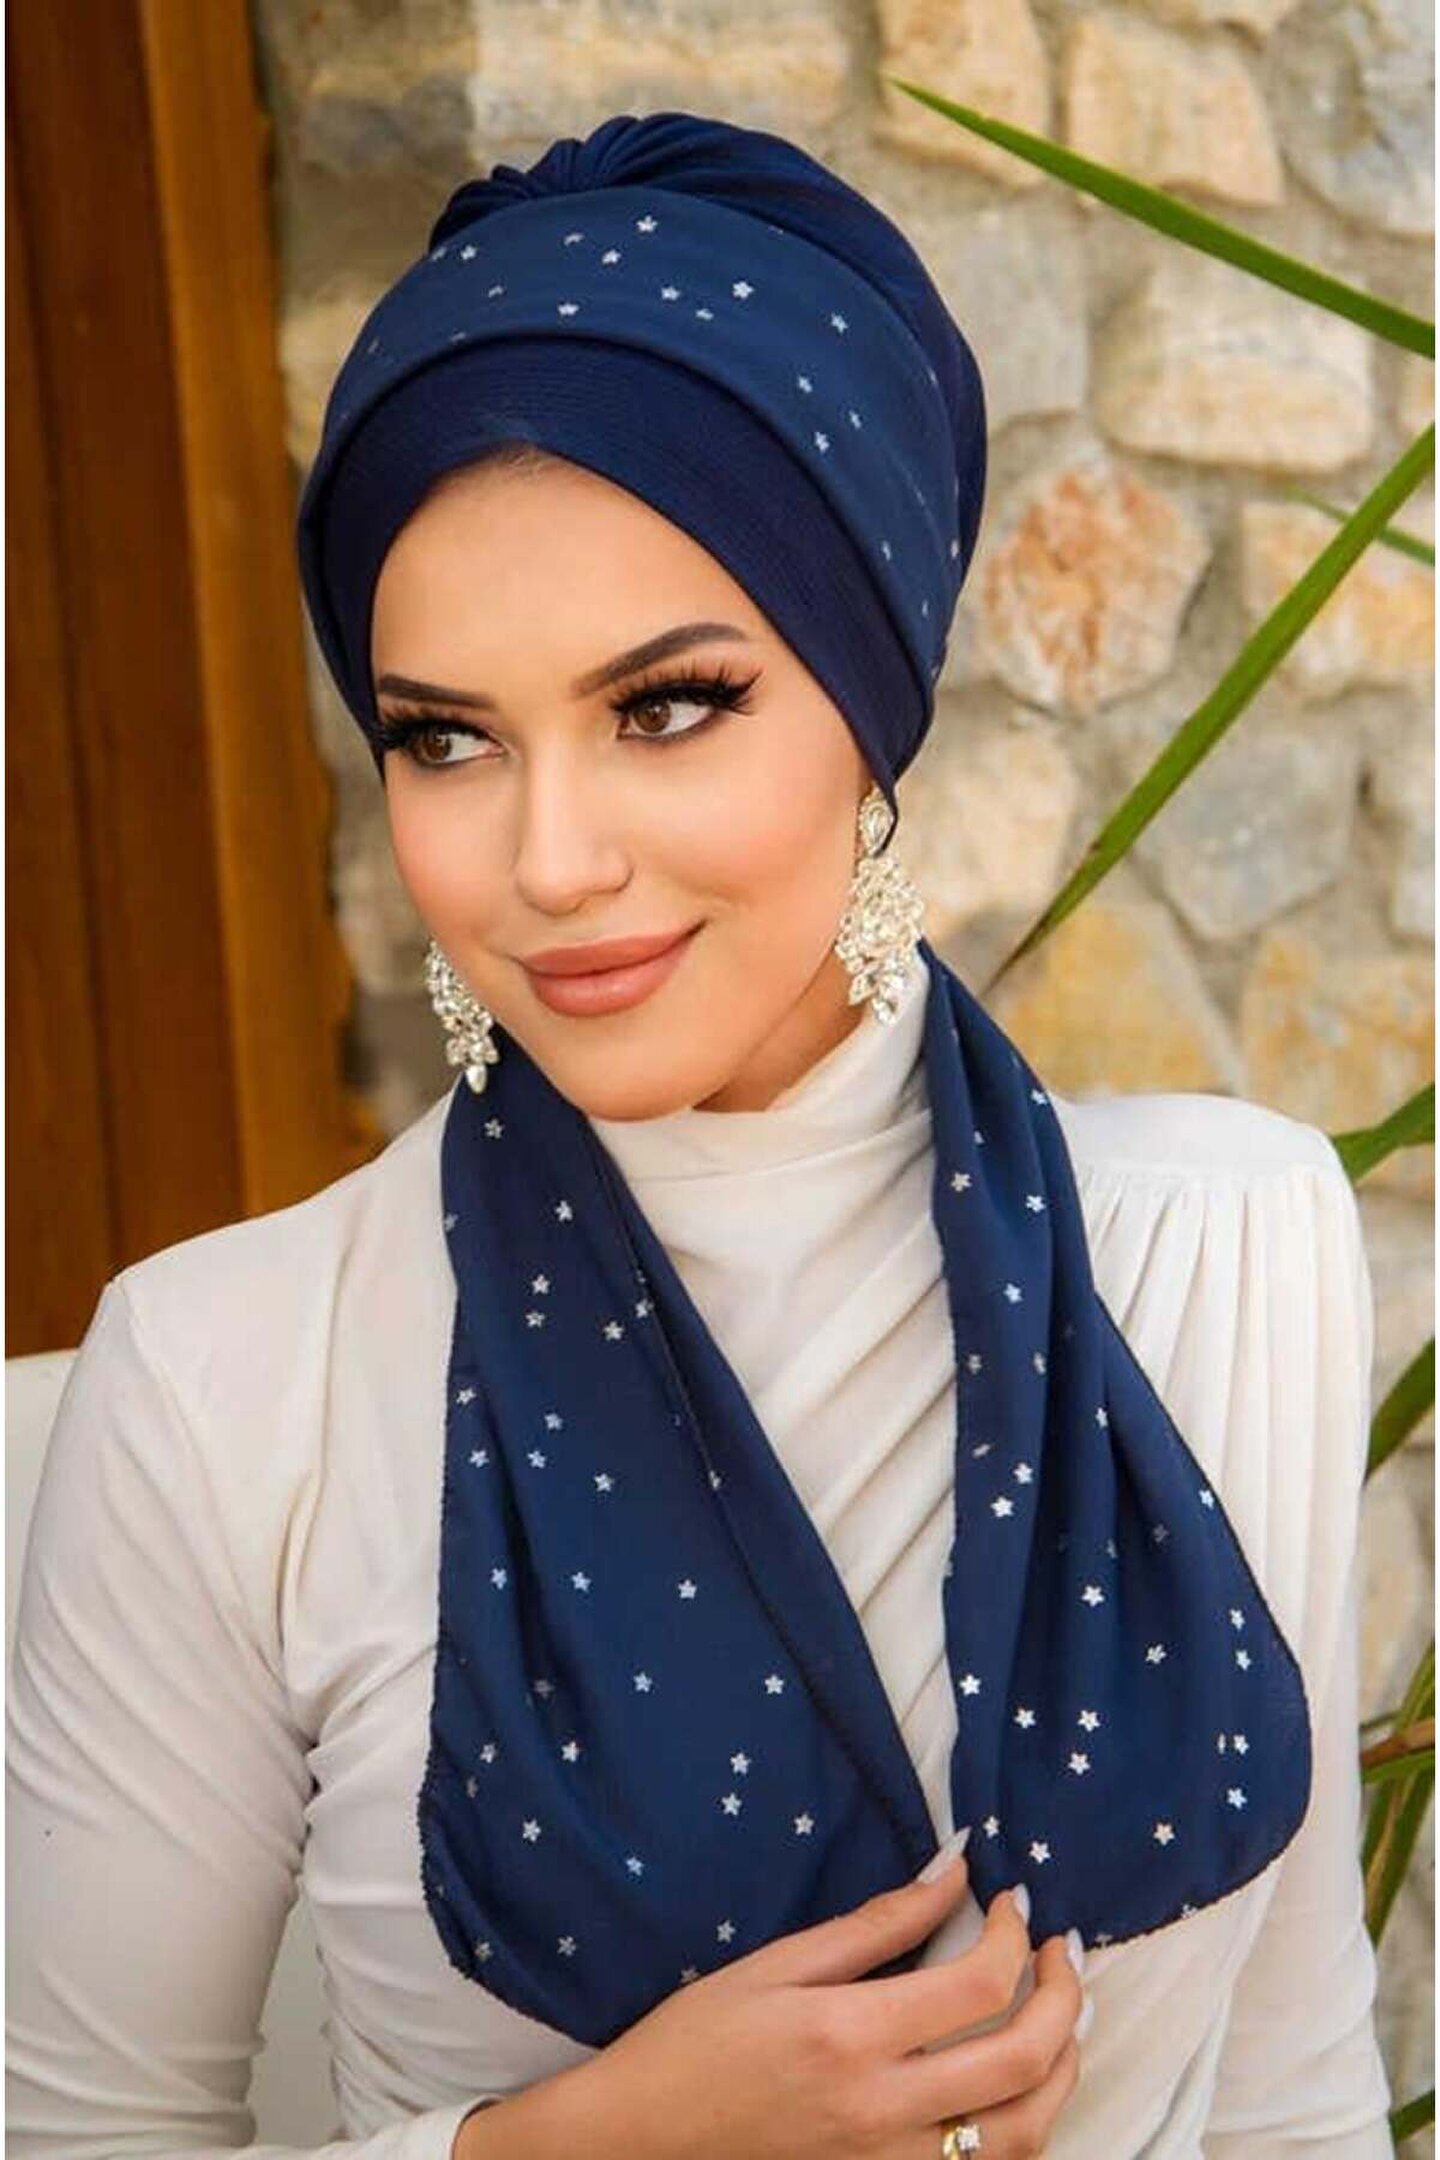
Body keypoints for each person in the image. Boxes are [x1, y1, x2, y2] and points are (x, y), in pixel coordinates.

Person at [6, 111, 1393, 2160]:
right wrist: (584, 2147)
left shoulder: (1226, 1246)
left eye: (666, 706)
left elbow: (1289, 2096)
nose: (550, 861)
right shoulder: (225, 1381)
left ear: (870, 699)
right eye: (445, 739)